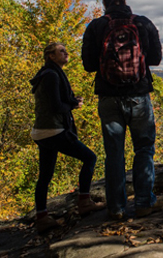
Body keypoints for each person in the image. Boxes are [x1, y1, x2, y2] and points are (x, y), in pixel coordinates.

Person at [81, 0, 163, 220]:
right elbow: (157, 59)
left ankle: (116, 209)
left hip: (108, 98)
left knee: (114, 154)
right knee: (144, 149)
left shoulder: (96, 26)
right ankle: (144, 203)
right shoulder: (142, 23)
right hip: (139, 96)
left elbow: (88, 66)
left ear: (105, 3)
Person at [29, 42, 105, 233]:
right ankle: (85, 202)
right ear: (51, 56)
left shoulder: (45, 74)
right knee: (90, 158)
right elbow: (56, 106)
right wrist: (73, 106)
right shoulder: (53, 76)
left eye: (65, 50)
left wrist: (71, 101)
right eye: (61, 51)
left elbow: (55, 101)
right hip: (54, 130)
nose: (65, 53)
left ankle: (42, 216)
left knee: (45, 176)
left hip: (41, 131)